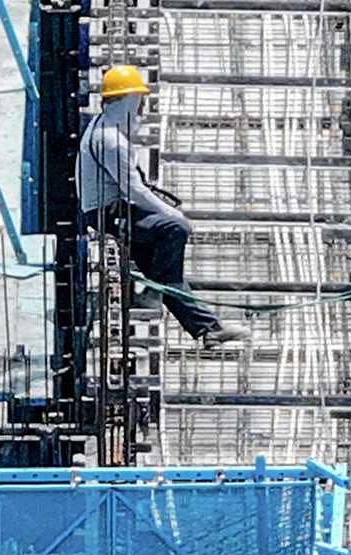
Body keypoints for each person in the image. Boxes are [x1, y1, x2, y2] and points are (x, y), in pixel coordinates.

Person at [75, 63, 238, 351]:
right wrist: (174, 214)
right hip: (108, 214)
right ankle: (155, 289)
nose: (140, 109)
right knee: (173, 230)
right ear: (127, 100)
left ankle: (207, 330)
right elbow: (134, 190)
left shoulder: (102, 129)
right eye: (138, 101)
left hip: (111, 211)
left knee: (167, 272)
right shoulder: (110, 141)